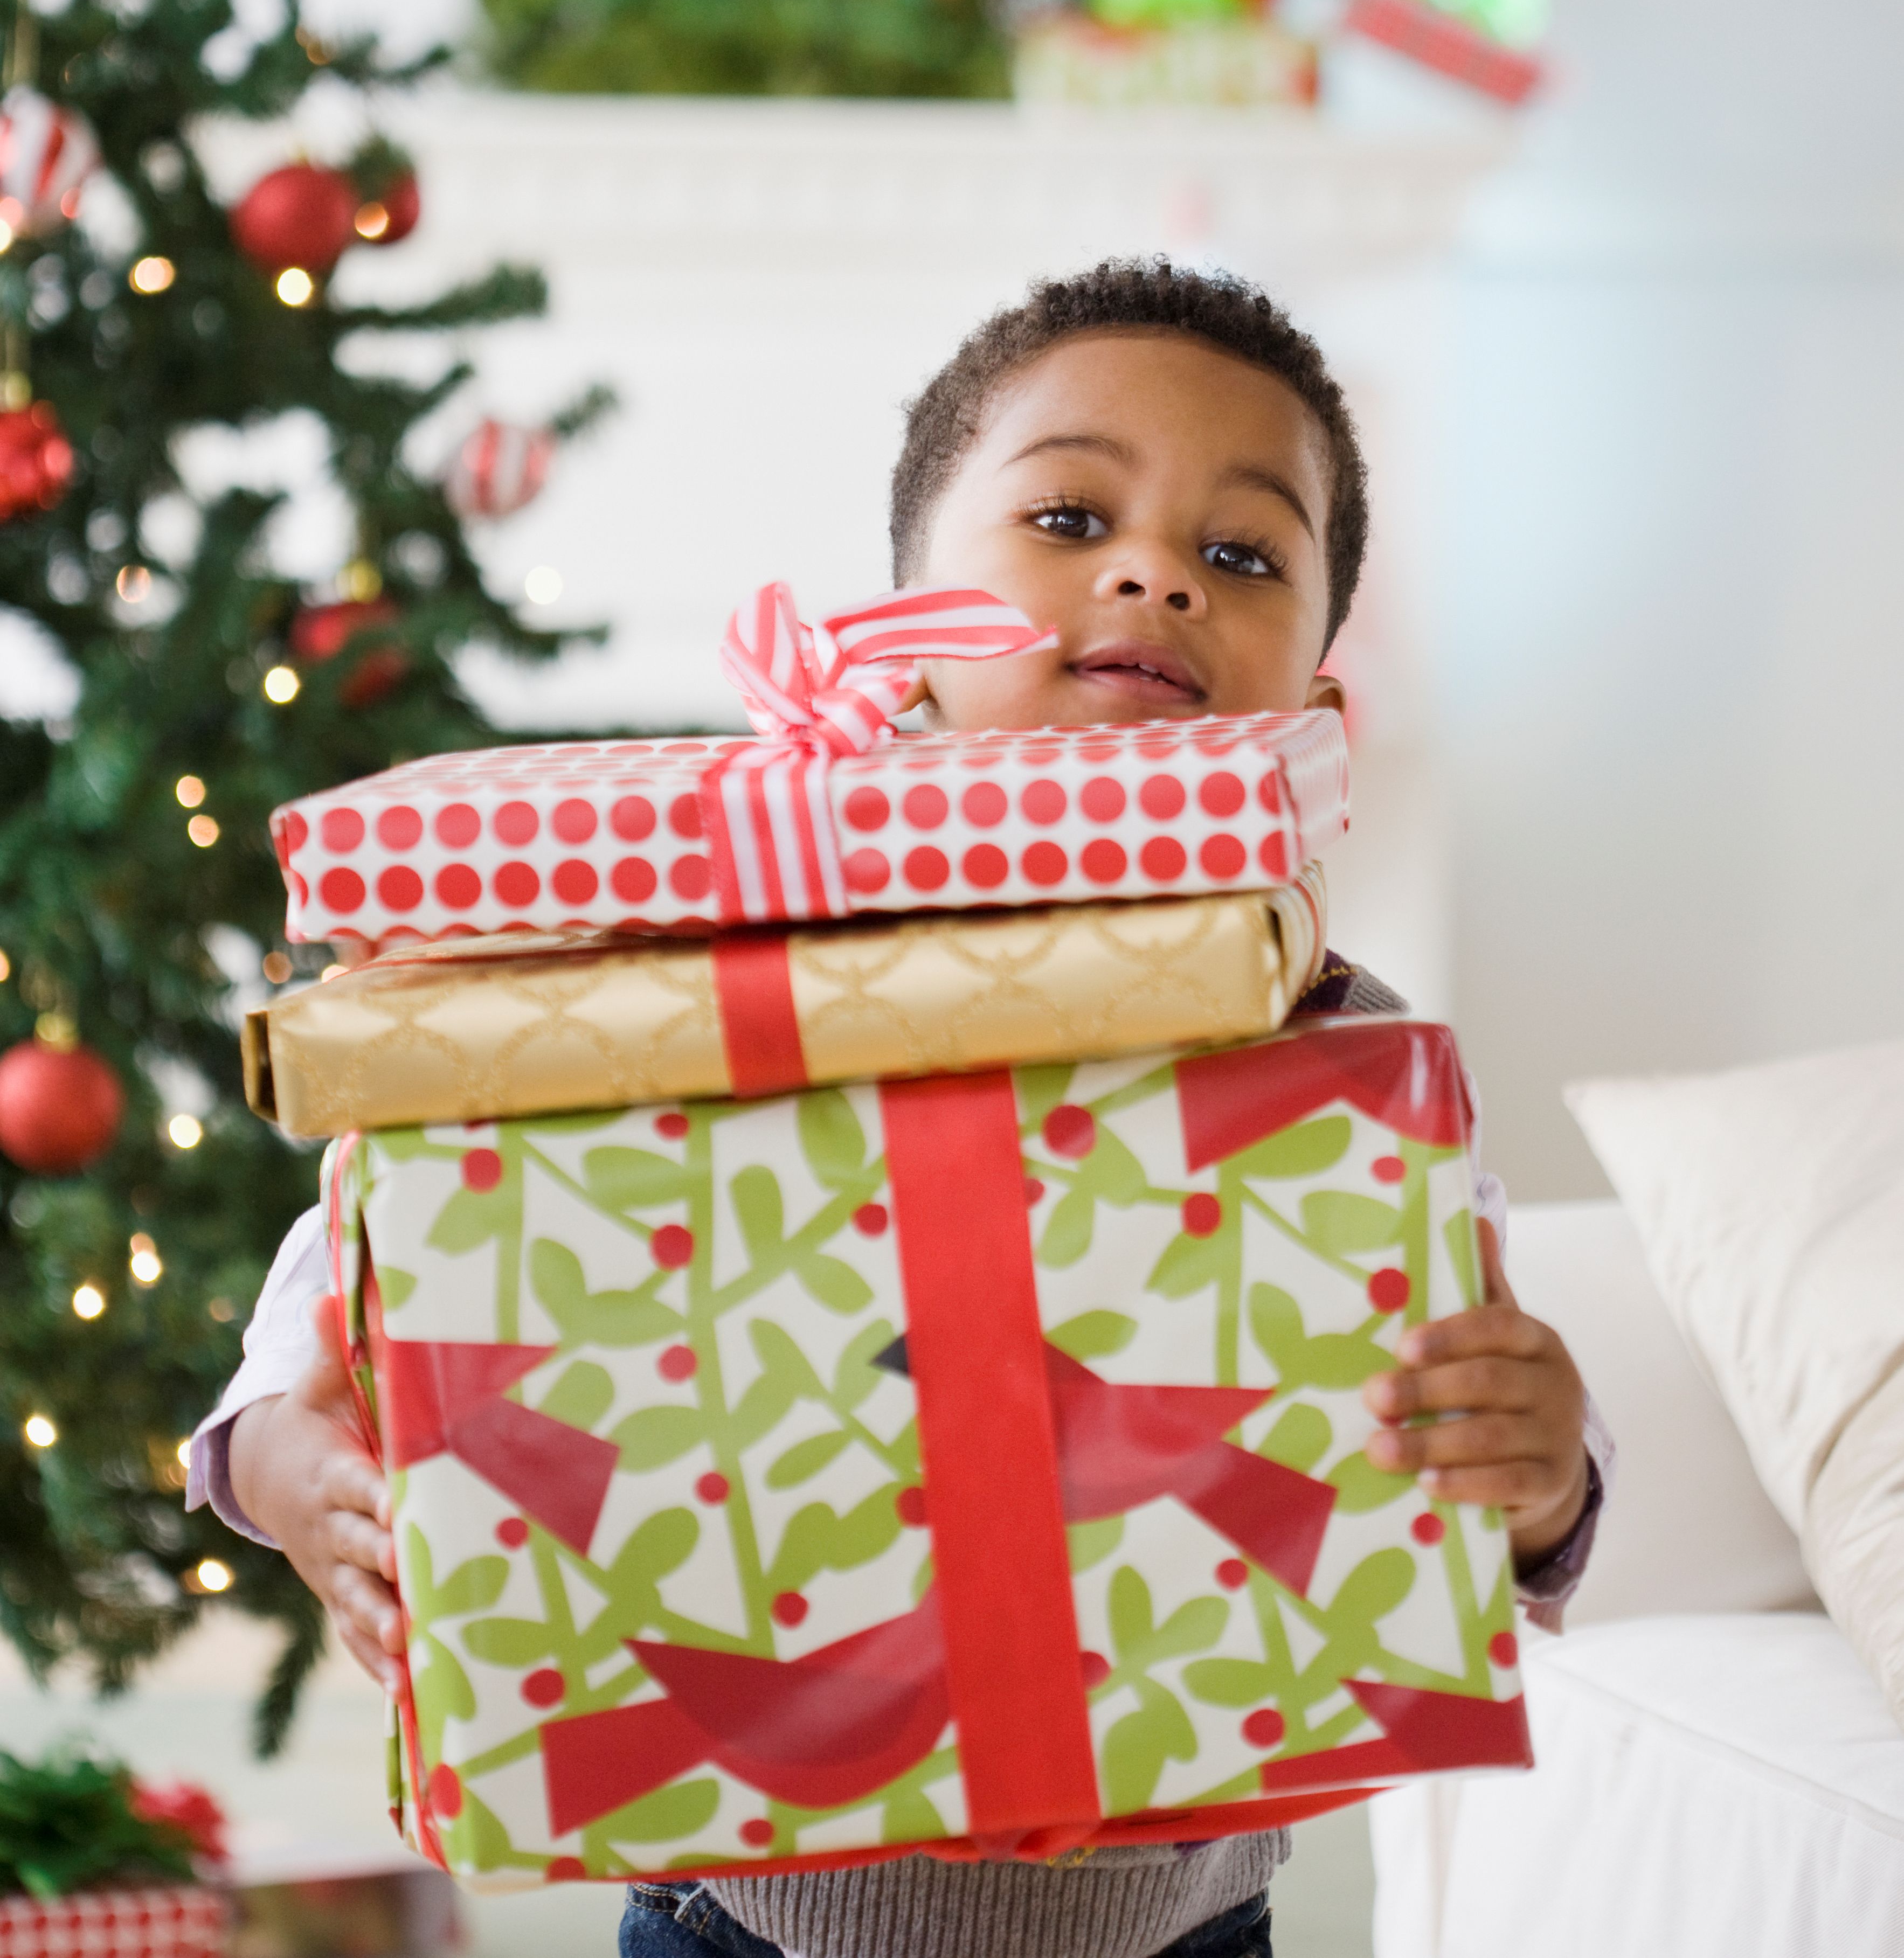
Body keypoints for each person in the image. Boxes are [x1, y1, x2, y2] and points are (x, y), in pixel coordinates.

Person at [191, 258, 1607, 1958]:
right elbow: (409, 1194)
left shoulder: (1325, 1040)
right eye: (1072, 516)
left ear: (1311, 706)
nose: (1155, 573)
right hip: (746, 1915)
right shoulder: (726, 953)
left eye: (1242, 555)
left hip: (1183, 1922)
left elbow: (1461, 1343)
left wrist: (1545, 1479)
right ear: (904, 636)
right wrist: (277, 1442)